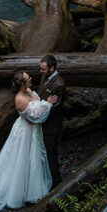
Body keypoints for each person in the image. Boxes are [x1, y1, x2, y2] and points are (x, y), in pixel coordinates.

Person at [0, 71, 57, 210]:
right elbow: (35, 117)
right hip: (26, 131)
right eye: (28, 78)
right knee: (23, 156)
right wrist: (48, 104)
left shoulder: (27, 90)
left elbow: (35, 106)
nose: (31, 79)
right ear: (22, 83)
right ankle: (20, 190)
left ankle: (30, 183)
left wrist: (42, 103)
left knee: (32, 156)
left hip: (32, 129)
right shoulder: (20, 99)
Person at [38, 54, 66, 186]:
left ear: (52, 68)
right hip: (43, 123)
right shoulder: (45, 77)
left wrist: (38, 114)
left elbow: (55, 108)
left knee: (51, 153)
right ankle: (47, 177)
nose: (41, 71)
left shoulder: (59, 84)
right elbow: (40, 95)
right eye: (41, 68)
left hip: (52, 126)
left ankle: (56, 180)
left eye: (43, 69)